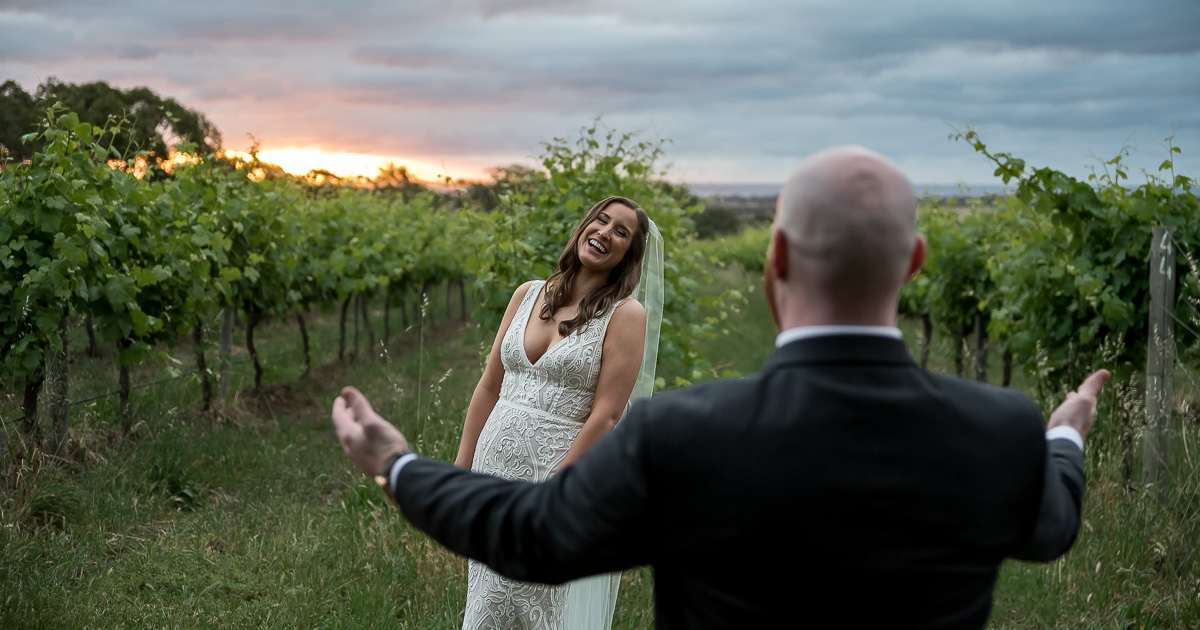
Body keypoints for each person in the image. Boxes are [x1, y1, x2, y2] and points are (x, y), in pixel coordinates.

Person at [332, 146, 1109, 629]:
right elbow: (1053, 526)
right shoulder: (1001, 429)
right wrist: (1065, 434)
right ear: (913, 263)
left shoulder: (682, 432)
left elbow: (535, 536)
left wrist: (397, 464)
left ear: (773, 258)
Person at [452, 196, 664, 629]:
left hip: (555, 478)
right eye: (601, 220)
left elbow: (606, 416)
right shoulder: (527, 293)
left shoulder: (626, 315)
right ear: (584, 226)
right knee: (487, 603)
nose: (605, 232)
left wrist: (555, 491)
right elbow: (489, 386)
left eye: (620, 231)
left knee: (541, 606)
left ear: (629, 254)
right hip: (493, 471)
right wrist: (461, 468)